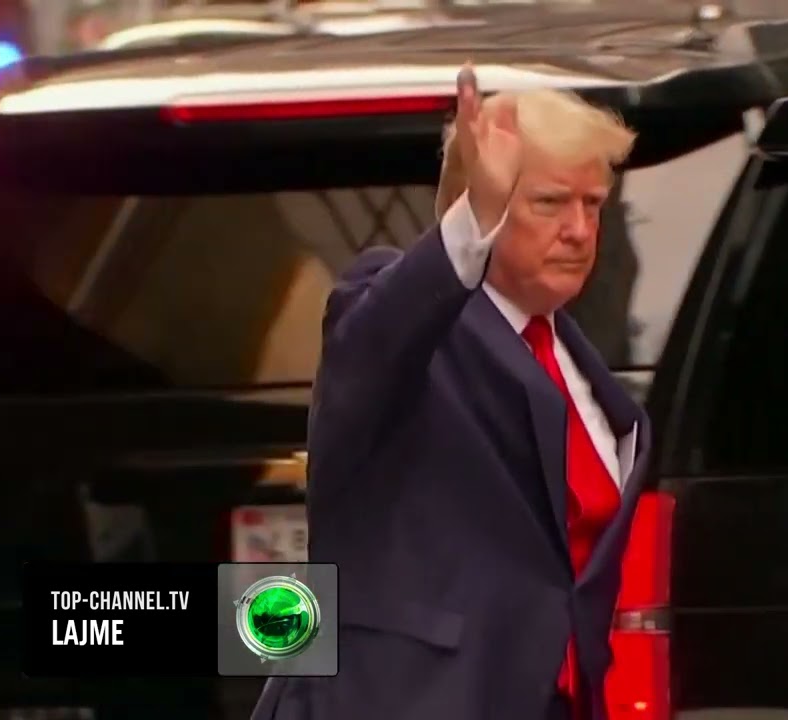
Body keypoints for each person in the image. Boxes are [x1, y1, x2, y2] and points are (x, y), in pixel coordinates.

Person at [249, 65, 651, 720]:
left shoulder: (580, 362)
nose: (579, 229)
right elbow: (377, 340)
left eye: (593, 204)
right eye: (550, 202)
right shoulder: (408, 320)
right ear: (482, 203)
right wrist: (469, 227)